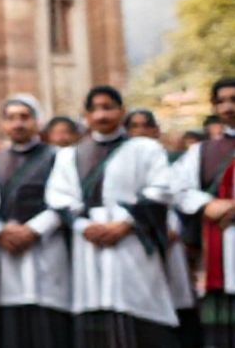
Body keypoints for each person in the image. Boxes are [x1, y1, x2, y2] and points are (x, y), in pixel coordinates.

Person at [44, 85, 179, 347]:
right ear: (86, 115)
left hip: (131, 242)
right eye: (94, 109)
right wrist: (83, 226)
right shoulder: (69, 155)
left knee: (138, 314)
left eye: (108, 107)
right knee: (96, 316)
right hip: (89, 244)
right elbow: (58, 196)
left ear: (122, 111)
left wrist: (125, 224)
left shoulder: (144, 149)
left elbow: (161, 188)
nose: (101, 115)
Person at [0, 94, 70, 348]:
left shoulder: (58, 157)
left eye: (25, 117)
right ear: (3, 124)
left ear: (38, 121)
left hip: (46, 251)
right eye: (11, 118)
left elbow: (65, 199)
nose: (18, 124)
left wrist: (33, 230)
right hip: (4, 255)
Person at [128, 109, 201, 346]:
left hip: (170, 238)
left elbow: (178, 195)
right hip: (137, 240)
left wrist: (173, 226)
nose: (140, 132)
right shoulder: (121, 163)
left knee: (177, 300)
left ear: (156, 130)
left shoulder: (172, 160)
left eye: (145, 126)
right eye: (134, 126)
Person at [173, 77, 235, 348]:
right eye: (221, 101)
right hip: (218, 253)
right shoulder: (201, 151)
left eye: (234, 99)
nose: (228, 106)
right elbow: (177, 187)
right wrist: (207, 204)